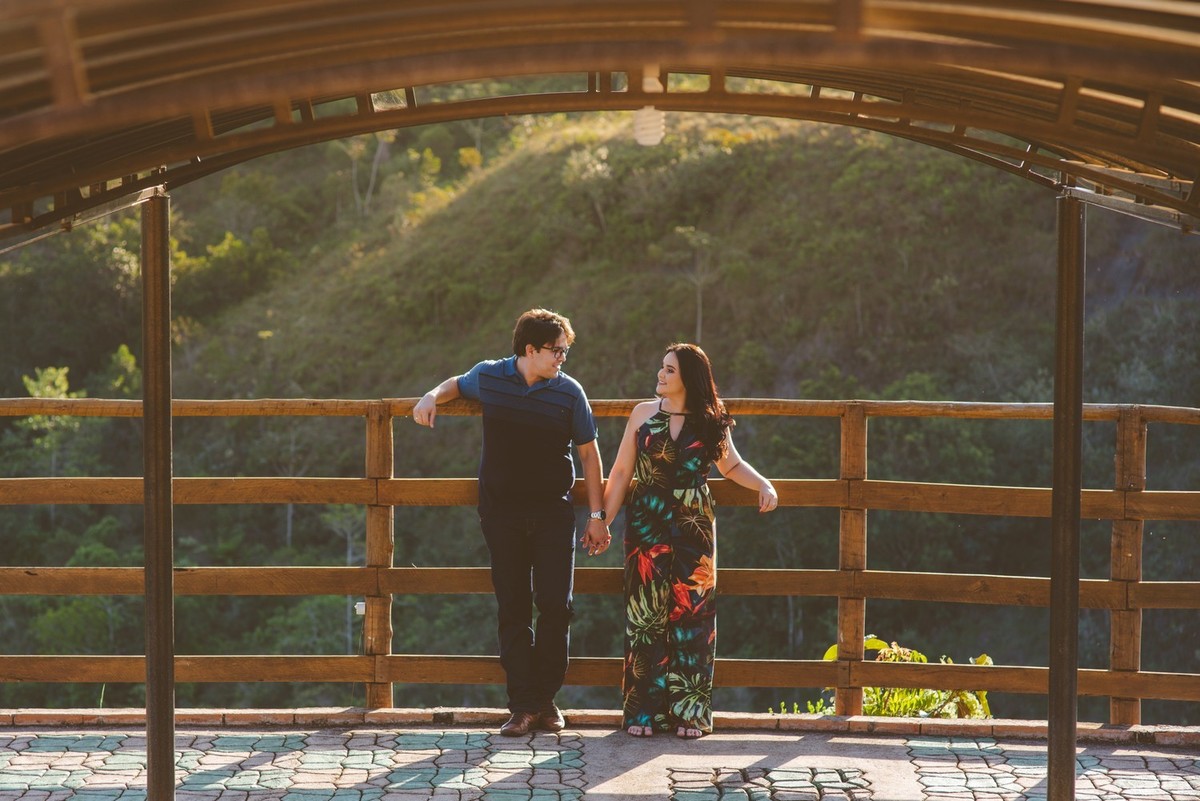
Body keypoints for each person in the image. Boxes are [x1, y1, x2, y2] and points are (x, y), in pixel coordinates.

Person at [412, 308, 612, 736]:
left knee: (557, 607)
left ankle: (544, 700)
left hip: (553, 515)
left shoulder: (570, 393)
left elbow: (590, 456)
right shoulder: (490, 376)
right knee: (514, 609)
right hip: (500, 514)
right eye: (556, 351)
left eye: (565, 350)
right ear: (530, 350)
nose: (563, 358)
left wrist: (598, 517)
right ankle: (523, 707)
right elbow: (454, 385)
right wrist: (431, 396)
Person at [601, 343, 778, 739]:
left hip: (693, 521)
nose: (660, 375)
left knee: (693, 614)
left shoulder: (712, 418)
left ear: (688, 379)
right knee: (645, 617)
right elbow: (621, 471)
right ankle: (643, 713)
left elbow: (730, 464)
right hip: (646, 522)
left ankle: (690, 713)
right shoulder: (643, 415)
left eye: (669, 371)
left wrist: (763, 483)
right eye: (662, 368)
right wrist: (602, 519)